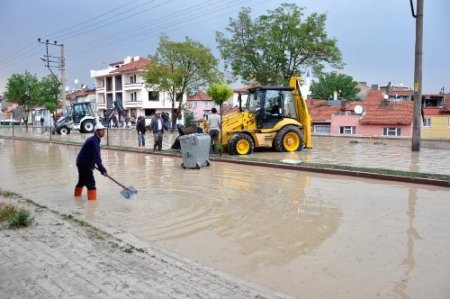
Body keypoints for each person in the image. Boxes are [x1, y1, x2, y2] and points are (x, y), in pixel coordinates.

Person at [74, 122, 108, 200]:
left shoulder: (95, 139)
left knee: (82, 181)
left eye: (103, 130)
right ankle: (92, 206)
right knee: (91, 184)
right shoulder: (94, 141)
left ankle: (77, 198)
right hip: (84, 164)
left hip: (82, 163)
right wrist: (103, 170)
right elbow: (97, 157)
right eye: (101, 130)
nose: (103, 131)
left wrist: (92, 164)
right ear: (96, 132)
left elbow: (92, 155)